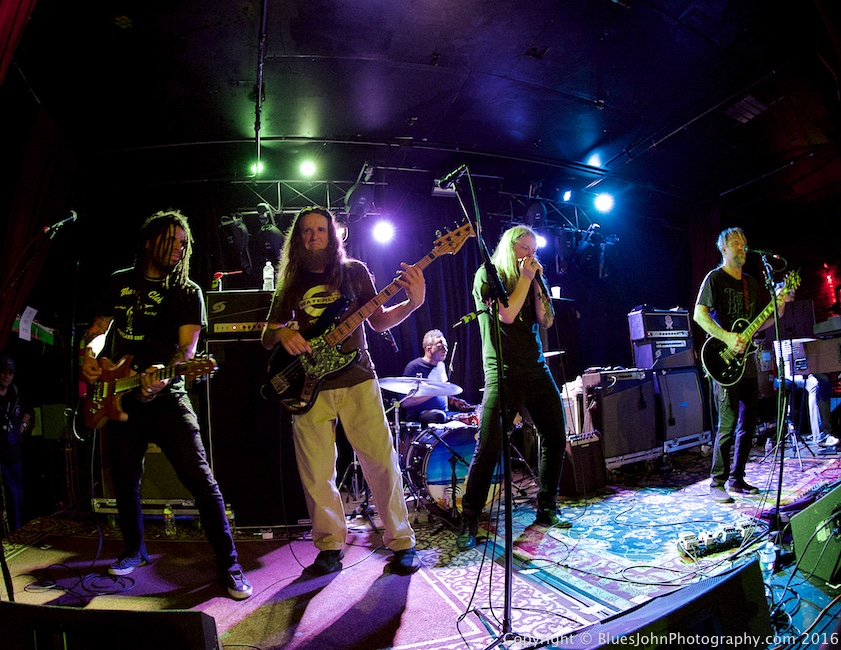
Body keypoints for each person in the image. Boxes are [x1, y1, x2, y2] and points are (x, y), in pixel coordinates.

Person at [80, 209, 252, 599]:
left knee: (201, 482)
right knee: (125, 479)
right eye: (171, 240)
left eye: (183, 242)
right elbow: (98, 333)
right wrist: (88, 357)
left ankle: (230, 565)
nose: (179, 248)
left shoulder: (188, 291)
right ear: (148, 241)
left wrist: (165, 372)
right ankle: (133, 550)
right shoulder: (119, 282)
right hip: (118, 393)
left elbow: (187, 349)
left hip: (167, 395)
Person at [261, 206, 424, 576]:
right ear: (298, 239)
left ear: (332, 235)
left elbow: (379, 321)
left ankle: (402, 541)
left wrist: (412, 304)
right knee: (317, 473)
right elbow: (267, 336)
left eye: (320, 229)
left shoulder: (354, 273)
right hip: (308, 386)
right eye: (306, 231)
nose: (314, 236)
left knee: (382, 463)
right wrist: (282, 332)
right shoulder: (290, 282)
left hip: (357, 379)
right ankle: (330, 547)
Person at [457, 225, 568, 551]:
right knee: (489, 447)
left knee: (555, 437)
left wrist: (535, 283)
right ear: (509, 248)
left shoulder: (531, 277)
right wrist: (524, 279)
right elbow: (506, 315)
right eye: (523, 248)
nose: (529, 255)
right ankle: (470, 517)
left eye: (533, 249)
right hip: (502, 371)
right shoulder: (488, 276)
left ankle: (547, 507)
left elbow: (546, 320)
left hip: (535, 368)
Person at [694, 227, 790, 504]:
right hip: (722, 359)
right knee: (728, 422)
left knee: (749, 423)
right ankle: (717, 482)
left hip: (747, 361)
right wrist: (726, 337)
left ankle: (737, 478)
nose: (742, 247)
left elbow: (760, 323)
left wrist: (778, 309)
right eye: (736, 243)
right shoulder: (714, 278)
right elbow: (699, 315)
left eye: (744, 243)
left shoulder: (751, 283)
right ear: (723, 249)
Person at [400, 329, 473, 424]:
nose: (445, 350)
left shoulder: (441, 365)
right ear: (428, 349)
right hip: (419, 416)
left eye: (446, 346)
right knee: (439, 415)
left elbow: (442, 393)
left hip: (443, 414)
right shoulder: (414, 367)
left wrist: (454, 401)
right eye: (440, 347)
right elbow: (405, 402)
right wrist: (434, 391)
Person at [0, 355, 33, 533]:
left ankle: (18, 528)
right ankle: (15, 529)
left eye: (10, 373)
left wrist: (23, 425)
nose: (7, 376)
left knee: (19, 492)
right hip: (1, 452)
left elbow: (28, 410)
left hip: (14, 449)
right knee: (11, 492)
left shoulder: (15, 391)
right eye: (4, 372)